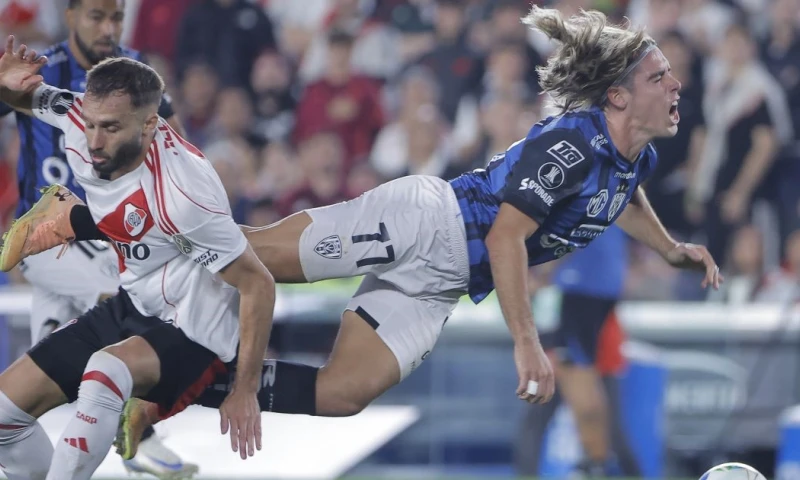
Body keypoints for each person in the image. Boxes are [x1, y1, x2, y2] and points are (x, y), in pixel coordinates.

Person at [1, 5, 723, 461]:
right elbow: (506, 236)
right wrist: (528, 343)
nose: (677, 85)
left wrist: (670, 248)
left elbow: (623, 197)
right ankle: (94, 213)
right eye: (662, 76)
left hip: (441, 282)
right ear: (619, 94)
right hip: (422, 223)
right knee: (255, 259)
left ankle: (176, 386)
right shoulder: (572, 141)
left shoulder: (633, 157)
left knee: (347, 393)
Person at [0, 36, 276, 480]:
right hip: (134, 301)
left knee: (104, 371)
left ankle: (68, 216)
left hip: (194, 329)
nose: (93, 140)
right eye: (89, 123)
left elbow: (257, 284)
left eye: (110, 128)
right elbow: (24, 95)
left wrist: (244, 388)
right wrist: (4, 81)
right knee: (4, 419)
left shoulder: (184, 195)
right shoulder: (81, 117)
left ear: (149, 126)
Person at [0, 0, 193, 475]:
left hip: (106, 238)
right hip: (46, 237)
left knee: (23, 399)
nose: (108, 28)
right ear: (70, 17)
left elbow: (176, 147)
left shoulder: (137, 75)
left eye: (117, 17)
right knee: (126, 300)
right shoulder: (43, 70)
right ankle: (142, 431)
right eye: (96, 16)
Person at [516, 226, 642, 478]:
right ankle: (596, 463)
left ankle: (595, 465)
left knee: (578, 380)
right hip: (605, 281)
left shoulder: (579, 188)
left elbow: (575, 226)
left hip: (579, 282)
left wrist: (544, 275)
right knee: (587, 380)